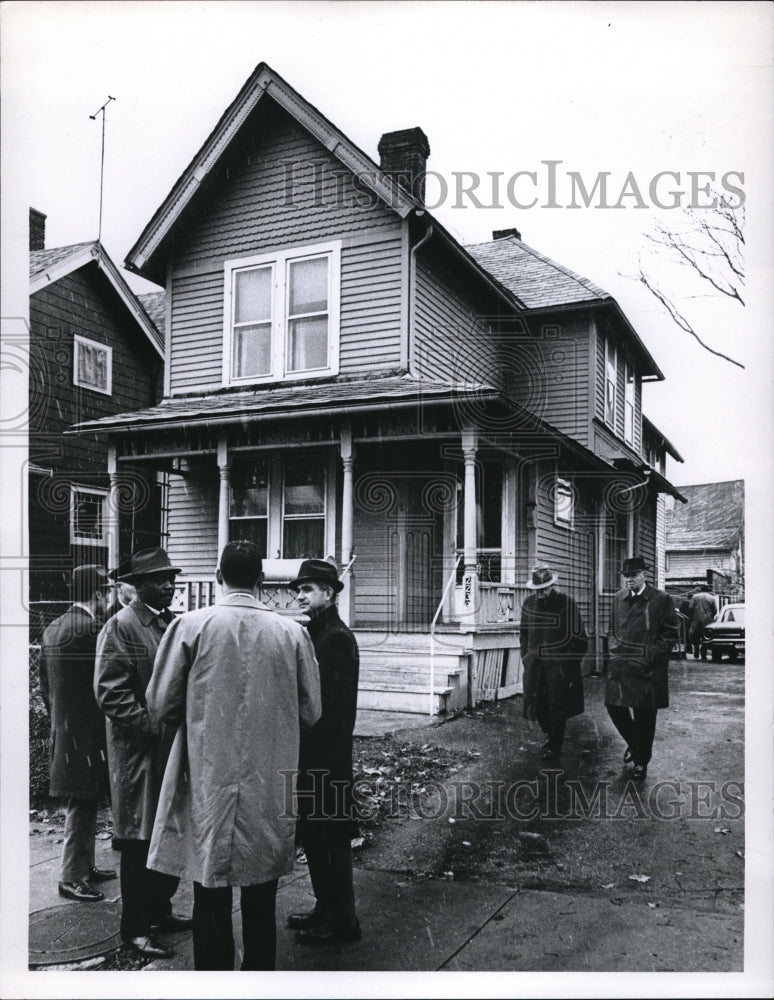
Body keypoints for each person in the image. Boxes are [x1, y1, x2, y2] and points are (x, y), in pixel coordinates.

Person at [145, 541, 321, 971]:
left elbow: (160, 703)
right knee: (261, 897)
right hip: (268, 780)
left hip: (210, 779)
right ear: (261, 581)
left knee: (210, 891)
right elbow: (312, 711)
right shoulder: (292, 633)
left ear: (219, 577)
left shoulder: (190, 626)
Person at [94, 547, 191, 959]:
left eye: (171, 577)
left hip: (166, 751)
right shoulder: (122, 626)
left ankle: (159, 912)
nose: (169, 584)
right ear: (138, 585)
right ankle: (134, 930)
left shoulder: (168, 624)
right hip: (138, 755)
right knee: (137, 840)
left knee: (164, 832)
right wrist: (154, 729)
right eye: (159, 579)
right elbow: (110, 693)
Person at [287, 558, 362, 945]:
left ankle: (343, 920)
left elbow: (331, 707)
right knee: (316, 835)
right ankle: (326, 906)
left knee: (330, 838)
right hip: (316, 754)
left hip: (327, 756)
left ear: (329, 593)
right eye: (297, 590)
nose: (299, 596)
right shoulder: (318, 632)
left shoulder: (334, 637)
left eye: (307, 590)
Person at [39, 564, 116, 902]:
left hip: (66, 729)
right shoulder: (91, 629)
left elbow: (44, 684)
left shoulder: (55, 627)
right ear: (97, 594)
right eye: (107, 592)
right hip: (86, 732)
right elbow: (105, 681)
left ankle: (85, 865)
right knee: (82, 804)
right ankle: (72, 876)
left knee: (84, 800)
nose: (109, 598)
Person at [605, 556, 679, 781]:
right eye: (626, 576)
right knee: (613, 706)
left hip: (648, 670)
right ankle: (636, 745)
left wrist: (648, 658)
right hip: (621, 666)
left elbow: (669, 635)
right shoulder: (618, 598)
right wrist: (614, 651)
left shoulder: (661, 600)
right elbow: (612, 629)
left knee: (644, 716)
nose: (629, 580)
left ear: (644, 575)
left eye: (634, 575)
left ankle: (641, 763)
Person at [519, 564, 588, 761]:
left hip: (558, 668)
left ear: (552, 585)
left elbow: (580, 640)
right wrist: (526, 655)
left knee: (557, 706)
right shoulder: (528, 604)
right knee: (537, 704)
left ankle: (554, 746)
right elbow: (523, 633)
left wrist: (567, 665)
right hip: (534, 665)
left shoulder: (567, 603)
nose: (541, 593)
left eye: (544, 588)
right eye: (537, 589)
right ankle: (550, 733)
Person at [687, 585, 718, 658]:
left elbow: (690, 608)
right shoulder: (712, 598)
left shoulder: (695, 597)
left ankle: (696, 649)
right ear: (708, 590)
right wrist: (711, 616)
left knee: (694, 635)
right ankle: (703, 653)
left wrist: (692, 616)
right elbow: (715, 610)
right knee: (706, 636)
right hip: (708, 621)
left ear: (701, 590)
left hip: (696, 619)